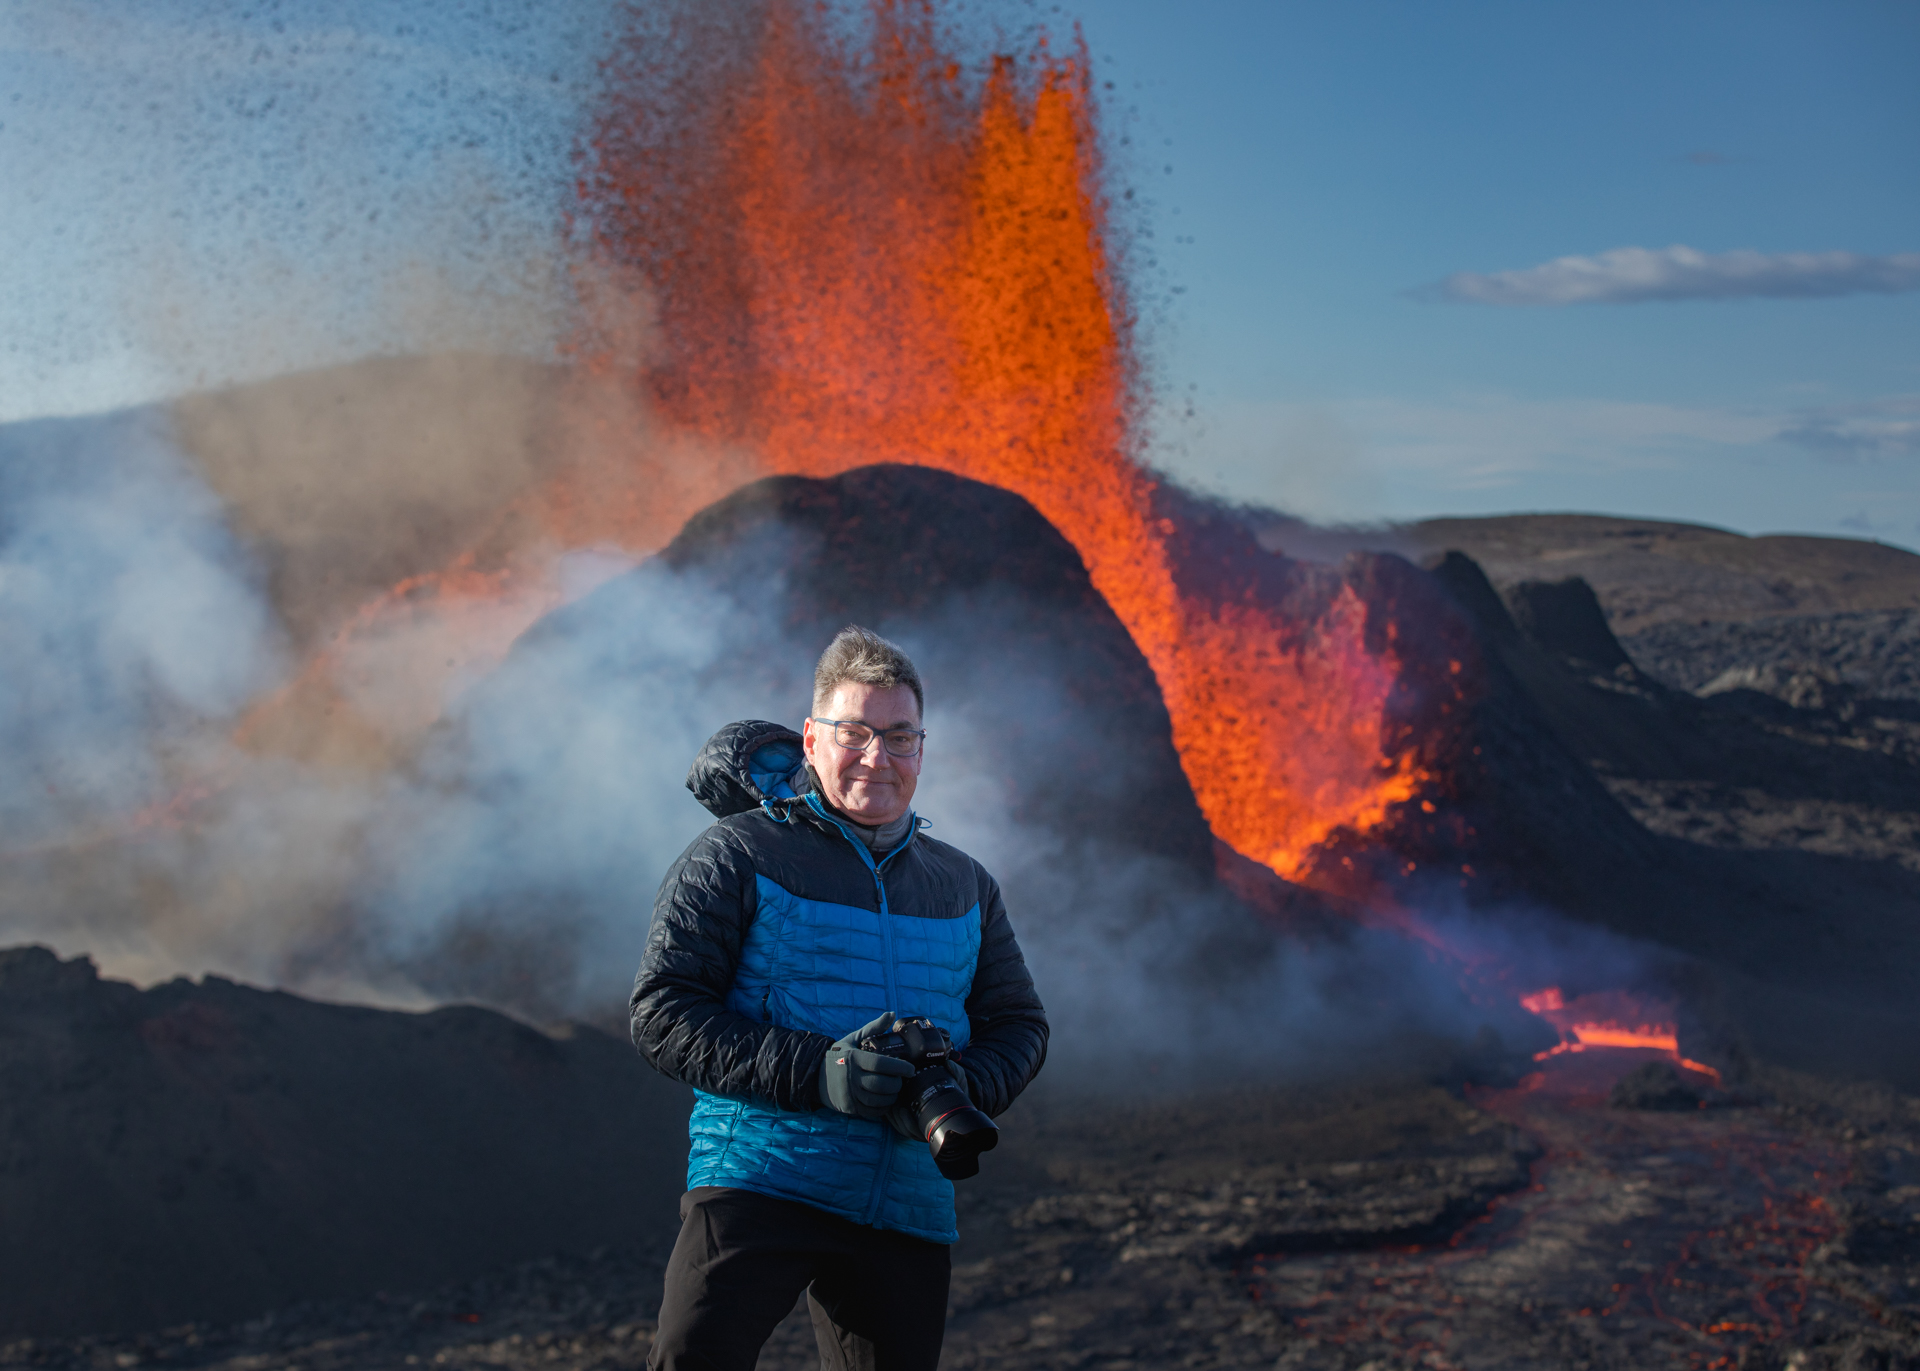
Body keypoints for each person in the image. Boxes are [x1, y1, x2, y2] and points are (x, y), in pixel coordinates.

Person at [631, 625, 1049, 1371]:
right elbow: (663, 1009)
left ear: (922, 746)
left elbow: (1019, 1023)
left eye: (898, 736)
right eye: (853, 732)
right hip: (760, 1177)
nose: (876, 757)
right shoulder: (738, 853)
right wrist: (822, 1071)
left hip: (906, 1201)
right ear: (811, 740)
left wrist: (958, 1087)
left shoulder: (964, 883)